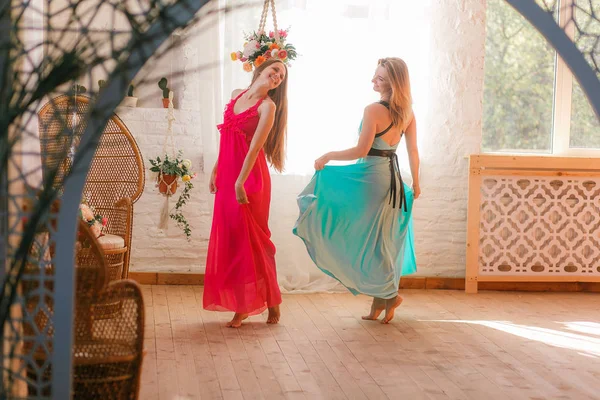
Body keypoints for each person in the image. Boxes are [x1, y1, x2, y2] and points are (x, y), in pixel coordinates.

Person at [293, 57, 420, 324]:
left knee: (370, 239)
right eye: (374, 76)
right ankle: (380, 300)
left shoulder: (373, 110)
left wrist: (328, 155)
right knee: (381, 240)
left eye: (380, 78)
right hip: (392, 179)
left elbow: (361, 151)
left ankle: (390, 294)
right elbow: (413, 151)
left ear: (393, 82)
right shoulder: (407, 111)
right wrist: (416, 182)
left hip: (372, 178)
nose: (373, 81)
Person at [203, 58, 288, 328]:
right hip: (228, 175)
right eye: (275, 70)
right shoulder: (235, 95)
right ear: (262, 69)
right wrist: (217, 168)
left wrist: (240, 181)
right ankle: (266, 300)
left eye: (281, 77)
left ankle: (247, 305)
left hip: (249, 178)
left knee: (251, 241)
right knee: (230, 238)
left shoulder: (268, 107)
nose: (277, 76)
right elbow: (227, 136)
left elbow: (255, 149)